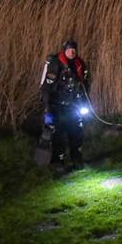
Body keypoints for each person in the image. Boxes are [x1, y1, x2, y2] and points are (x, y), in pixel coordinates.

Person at [39, 39, 91, 171]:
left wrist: (85, 102)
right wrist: (47, 107)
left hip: (73, 105)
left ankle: (76, 159)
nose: (72, 52)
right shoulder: (56, 64)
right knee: (58, 135)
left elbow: (84, 85)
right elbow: (46, 88)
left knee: (76, 133)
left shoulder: (79, 64)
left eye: (74, 50)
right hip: (57, 106)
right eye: (69, 50)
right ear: (64, 50)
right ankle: (59, 163)